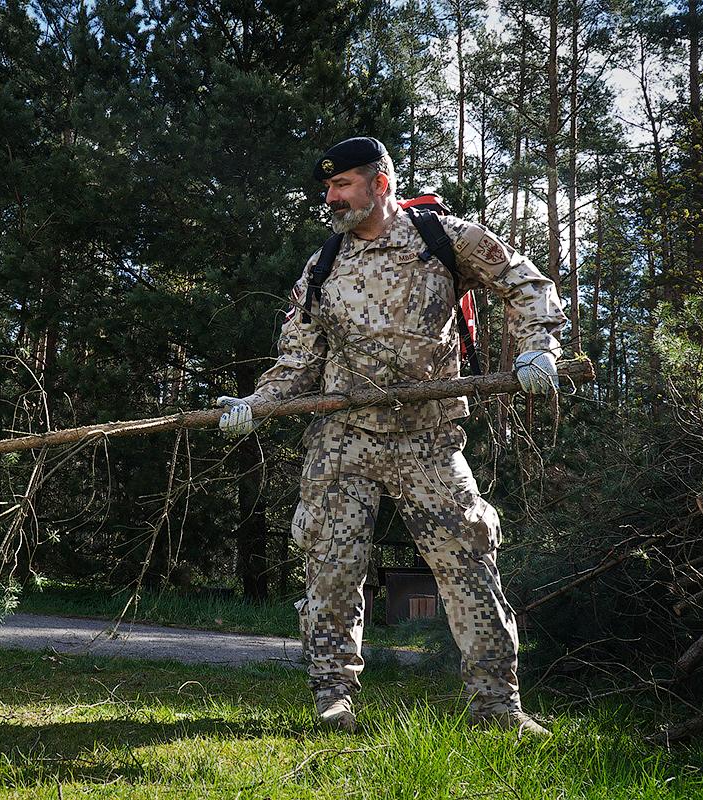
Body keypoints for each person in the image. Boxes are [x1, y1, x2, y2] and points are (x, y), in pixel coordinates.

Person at [217, 137, 565, 738]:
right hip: (343, 440)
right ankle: (334, 697)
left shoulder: (443, 239)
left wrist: (537, 348)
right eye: (327, 188)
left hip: (429, 439)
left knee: (468, 562)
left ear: (380, 183)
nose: (330, 198)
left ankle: (497, 708)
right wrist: (257, 402)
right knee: (330, 568)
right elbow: (298, 359)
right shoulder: (322, 265)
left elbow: (520, 281)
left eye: (342, 185)